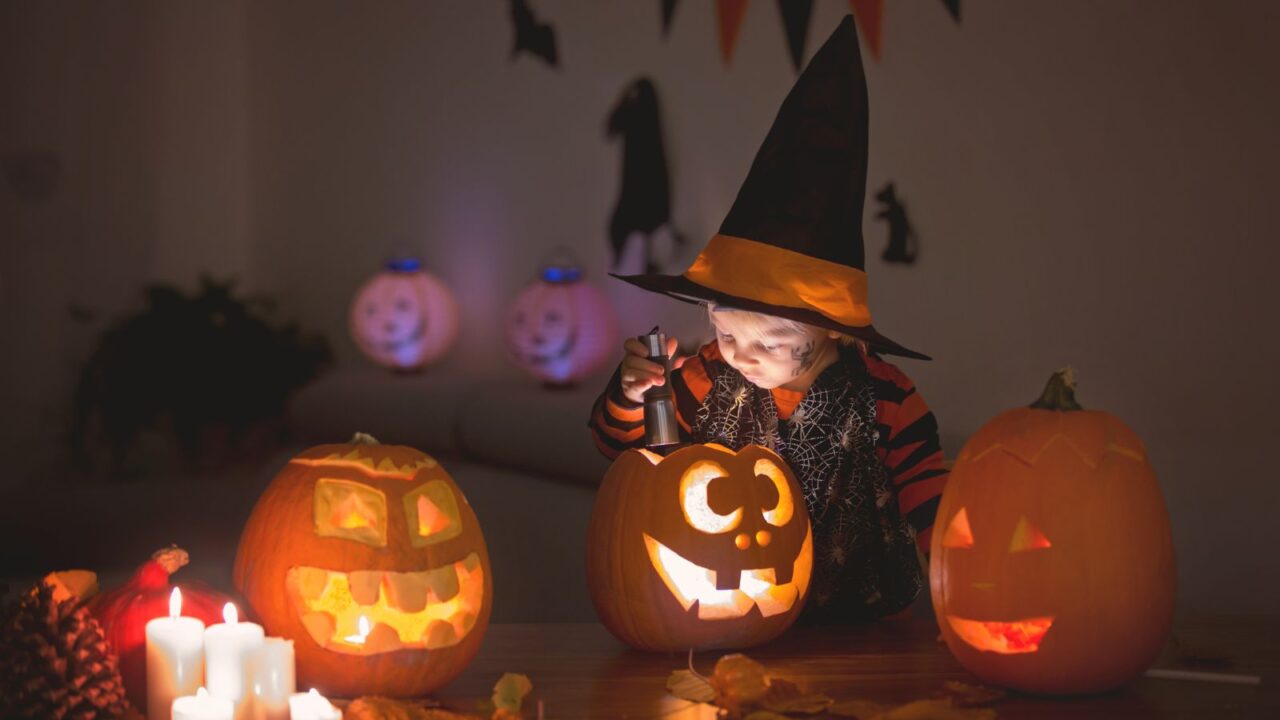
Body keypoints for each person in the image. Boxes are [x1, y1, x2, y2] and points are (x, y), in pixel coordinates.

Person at [587, 15, 947, 622]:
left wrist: (958, 587)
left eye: (772, 340)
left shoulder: (887, 394)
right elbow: (616, 449)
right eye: (725, 331)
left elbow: (929, 497)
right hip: (730, 614)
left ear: (833, 327)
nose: (740, 354)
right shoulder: (703, 377)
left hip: (862, 625)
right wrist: (631, 393)